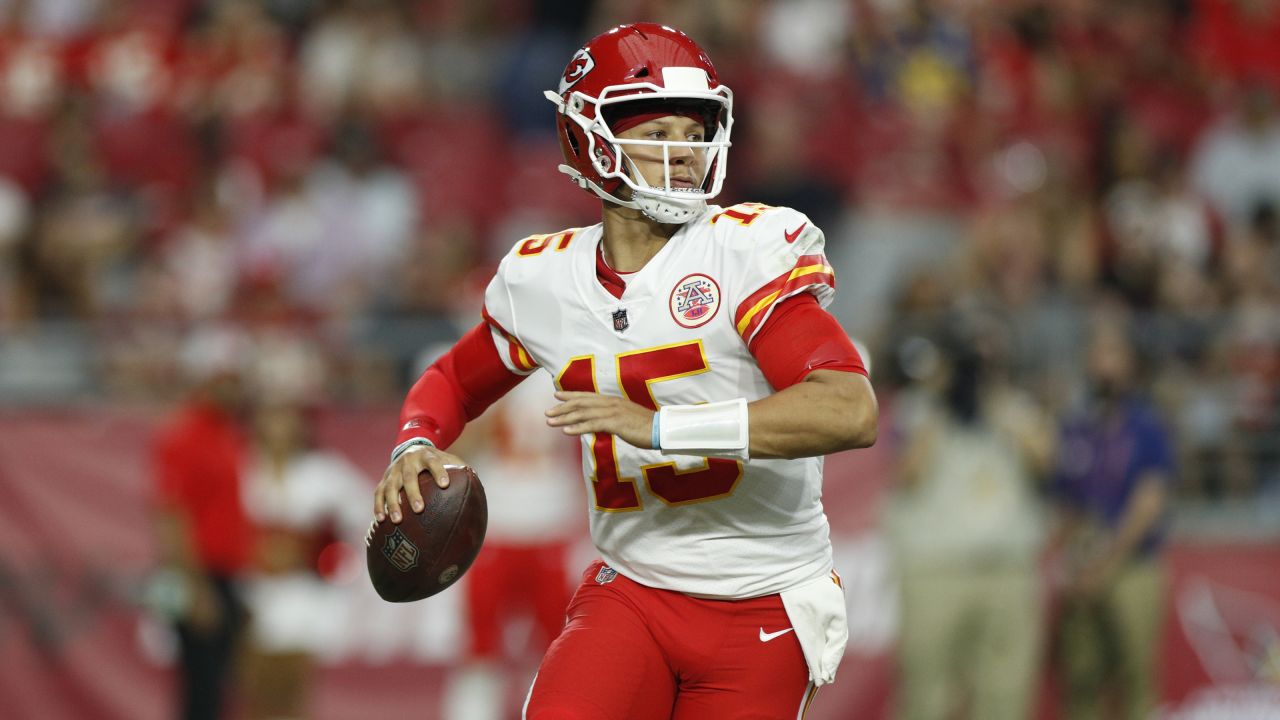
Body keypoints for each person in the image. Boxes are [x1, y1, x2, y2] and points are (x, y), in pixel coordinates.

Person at [372, 23, 878, 719]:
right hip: (633, 590)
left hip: (763, 598)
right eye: (659, 133)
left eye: (692, 133)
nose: (683, 155)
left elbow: (849, 409)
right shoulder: (547, 279)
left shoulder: (745, 251)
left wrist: (665, 427)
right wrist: (415, 441)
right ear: (590, 137)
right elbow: (454, 383)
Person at [884, 317, 1055, 720]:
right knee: (926, 696)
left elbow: (1046, 460)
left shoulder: (1015, 408)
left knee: (1005, 696)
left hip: (1006, 571)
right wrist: (942, 403)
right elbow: (906, 474)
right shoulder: (917, 411)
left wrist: (994, 405)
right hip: (935, 572)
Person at [1049, 316, 1175, 720]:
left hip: (1132, 564)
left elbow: (1148, 502)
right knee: (1082, 679)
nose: (1106, 365)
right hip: (1083, 564)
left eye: (1114, 354)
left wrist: (1107, 563)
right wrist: (1069, 562)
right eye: (1099, 354)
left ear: (1131, 364)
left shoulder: (1147, 426)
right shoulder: (1075, 426)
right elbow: (1065, 502)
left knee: (1135, 678)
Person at [441, 378, 586, 720]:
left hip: (548, 521)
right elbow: (454, 446)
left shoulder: (574, 367)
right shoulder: (486, 368)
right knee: (481, 643)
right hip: (498, 526)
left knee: (555, 646)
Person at [239, 399, 369, 720]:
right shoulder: (242, 467)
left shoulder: (323, 472)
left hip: (304, 591)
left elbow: (366, 512)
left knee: (295, 685)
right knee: (254, 686)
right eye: (271, 416)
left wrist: (326, 556)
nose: (278, 427)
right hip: (251, 589)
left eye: (286, 417)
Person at [150, 328, 253, 720]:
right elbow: (171, 514)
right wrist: (193, 587)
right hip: (200, 576)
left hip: (225, 574)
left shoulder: (227, 432)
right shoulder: (183, 434)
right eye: (227, 380)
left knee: (219, 688)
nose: (234, 389)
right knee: (201, 689)